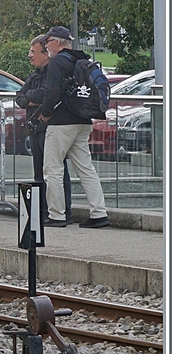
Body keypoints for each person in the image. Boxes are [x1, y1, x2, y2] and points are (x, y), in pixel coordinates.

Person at [36, 25, 109, 228]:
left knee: (52, 168)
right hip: (83, 120)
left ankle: (57, 215)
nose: (45, 45)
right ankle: (99, 214)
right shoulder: (81, 59)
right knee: (86, 168)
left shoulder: (57, 62)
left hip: (61, 123)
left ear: (57, 43)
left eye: (47, 41)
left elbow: (51, 92)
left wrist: (45, 114)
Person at [15, 33, 72, 221]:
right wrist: (32, 99)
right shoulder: (34, 75)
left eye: (33, 52)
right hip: (35, 128)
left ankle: (62, 211)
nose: (30, 55)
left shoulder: (52, 72)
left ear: (45, 53)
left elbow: (47, 94)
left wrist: (32, 98)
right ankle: (41, 212)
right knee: (39, 172)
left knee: (55, 171)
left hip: (49, 127)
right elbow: (20, 97)